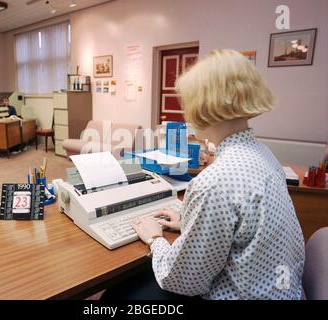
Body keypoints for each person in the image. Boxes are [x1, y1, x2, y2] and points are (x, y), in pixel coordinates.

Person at [102, 49, 305, 300]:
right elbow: (244, 229)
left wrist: (155, 238)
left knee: (117, 295)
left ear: (204, 106)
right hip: (283, 291)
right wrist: (188, 221)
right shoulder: (265, 155)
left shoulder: (214, 182)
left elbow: (180, 281)